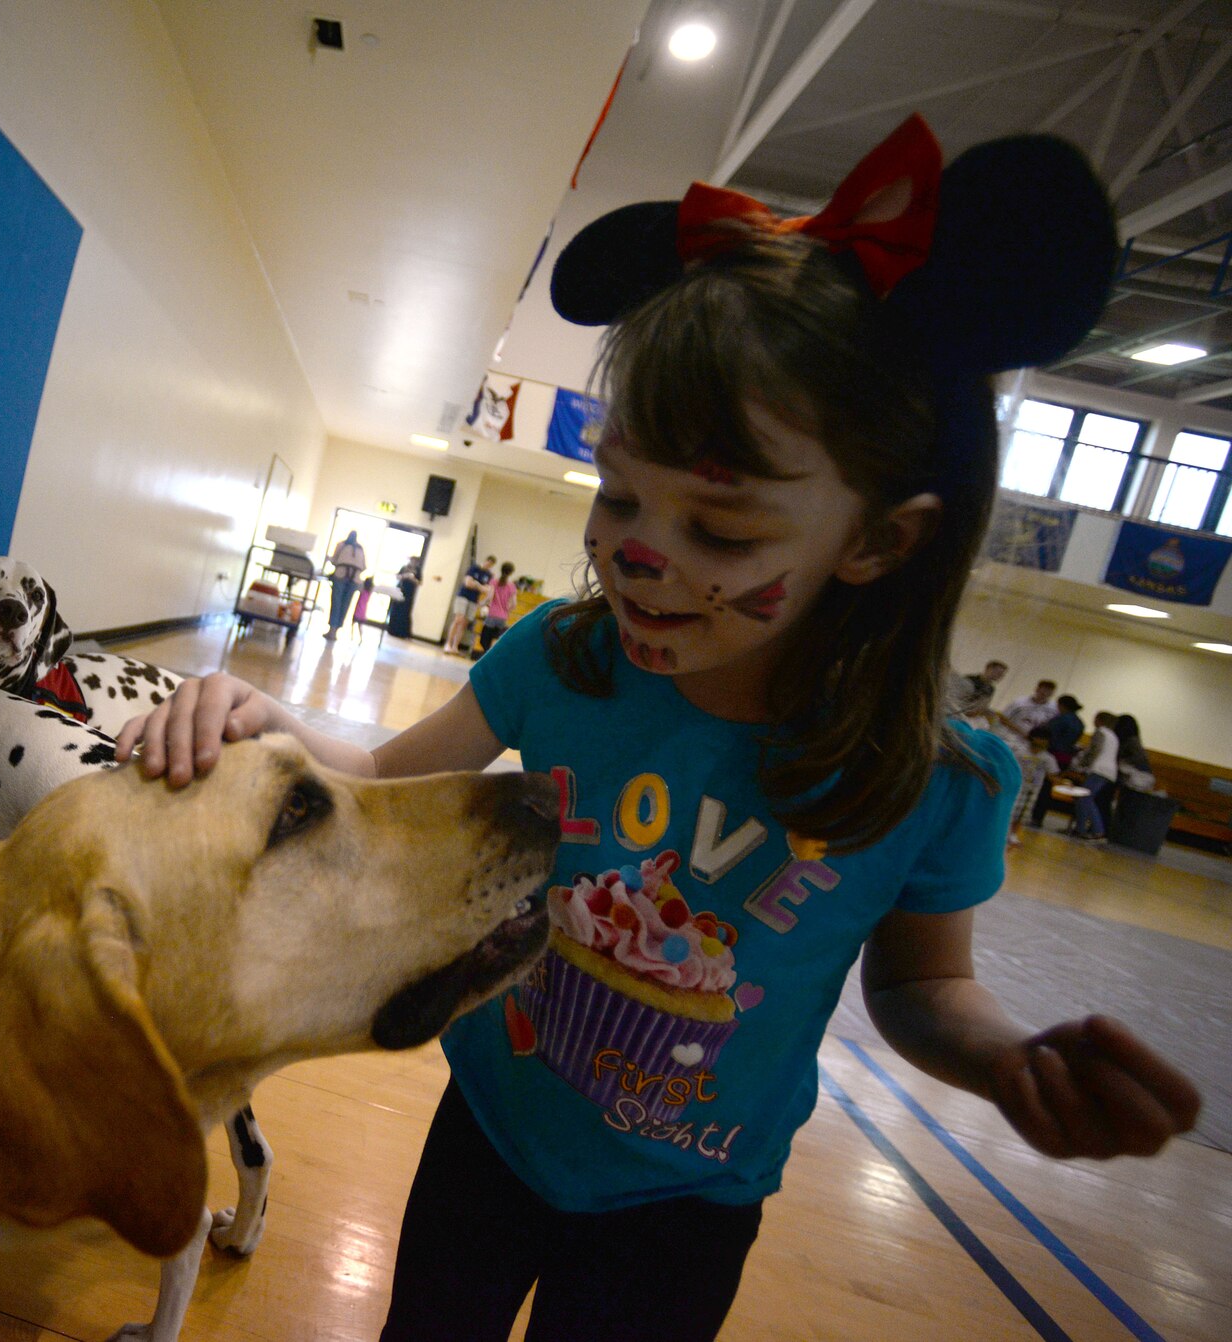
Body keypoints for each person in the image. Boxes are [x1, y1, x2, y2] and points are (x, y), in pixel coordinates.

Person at [117, 117, 1198, 1342]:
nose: (636, 556)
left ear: (876, 541)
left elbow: (924, 985)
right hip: (491, 1133)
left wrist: (1002, 1059)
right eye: (618, 494)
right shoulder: (561, 660)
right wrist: (276, 726)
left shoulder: (932, 783)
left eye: (720, 533)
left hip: (685, 1210)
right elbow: (374, 772)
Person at [1028, 693, 1084, 831]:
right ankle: (1039, 817)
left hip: (1053, 755)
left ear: (1062, 705)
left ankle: (1036, 817)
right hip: (1066, 758)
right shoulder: (1080, 723)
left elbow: (1047, 734)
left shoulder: (1060, 719)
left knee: (1042, 787)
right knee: (1051, 787)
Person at [1069, 712, 1121, 841]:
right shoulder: (1113, 736)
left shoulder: (1101, 732)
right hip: (1108, 770)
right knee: (1084, 798)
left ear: (1099, 720)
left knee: (1085, 798)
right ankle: (1080, 829)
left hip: (1099, 769)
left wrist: (1083, 765)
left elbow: (1095, 750)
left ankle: (1098, 830)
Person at [1005, 729, 1058, 850]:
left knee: (1023, 813)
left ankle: (1013, 835)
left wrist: (1062, 783)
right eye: (1039, 738)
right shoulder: (1019, 751)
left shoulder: (1048, 758)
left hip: (1033, 788)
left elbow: (1052, 774)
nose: (1041, 741)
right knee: (1011, 809)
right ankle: (1004, 833)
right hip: (1017, 785)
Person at [446, 553, 496, 654]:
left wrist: (476, 584)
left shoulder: (489, 575)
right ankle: (448, 644)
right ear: (486, 561)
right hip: (463, 596)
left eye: (491, 565)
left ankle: (455, 646)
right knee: (458, 620)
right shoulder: (474, 568)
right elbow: (468, 583)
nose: (489, 566)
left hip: (474, 600)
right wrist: (480, 586)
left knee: (464, 623)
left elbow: (487, 589)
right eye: (488, 563)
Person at [325, 530, 369, 640]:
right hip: (354, 579)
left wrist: (329, 559)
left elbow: (335, 560)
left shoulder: (341, 545)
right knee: (345, 604)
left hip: (340, 575)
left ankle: (332, 630)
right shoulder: (361, 549)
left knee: (336, 602)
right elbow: (364, 566)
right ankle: (336, 629)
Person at [475, 561, 519, 657]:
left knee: (484, 639)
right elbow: (514, 604)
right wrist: (507, 610)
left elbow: (489, 597)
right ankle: (491, 656)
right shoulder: (512, 586)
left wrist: (481, 603)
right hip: (503, 617)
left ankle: (487, 655)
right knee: (495, 638)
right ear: (511, 572)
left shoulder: (494, 581)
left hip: (492, 614)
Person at [946, 658, 1008, 723]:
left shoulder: (990, 689)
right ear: (988, 668)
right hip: (956, 712)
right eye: (997, 672)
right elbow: (956, 699)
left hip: (970, 716)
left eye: (1001, 674)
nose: (999, 676)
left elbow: (983, 706)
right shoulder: (970, 680)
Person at [389, 557, 423, 640]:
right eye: (412, 560)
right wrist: (404, 576)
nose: (413, 562)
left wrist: (412, 578)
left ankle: (403, 633)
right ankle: (392, 630)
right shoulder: (404, 568)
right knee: (396, 609)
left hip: (409, 593)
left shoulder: (418, 571)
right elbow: (397, 576)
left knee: (405, 612)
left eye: (415, 561)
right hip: (401, 589)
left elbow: (420, 582)